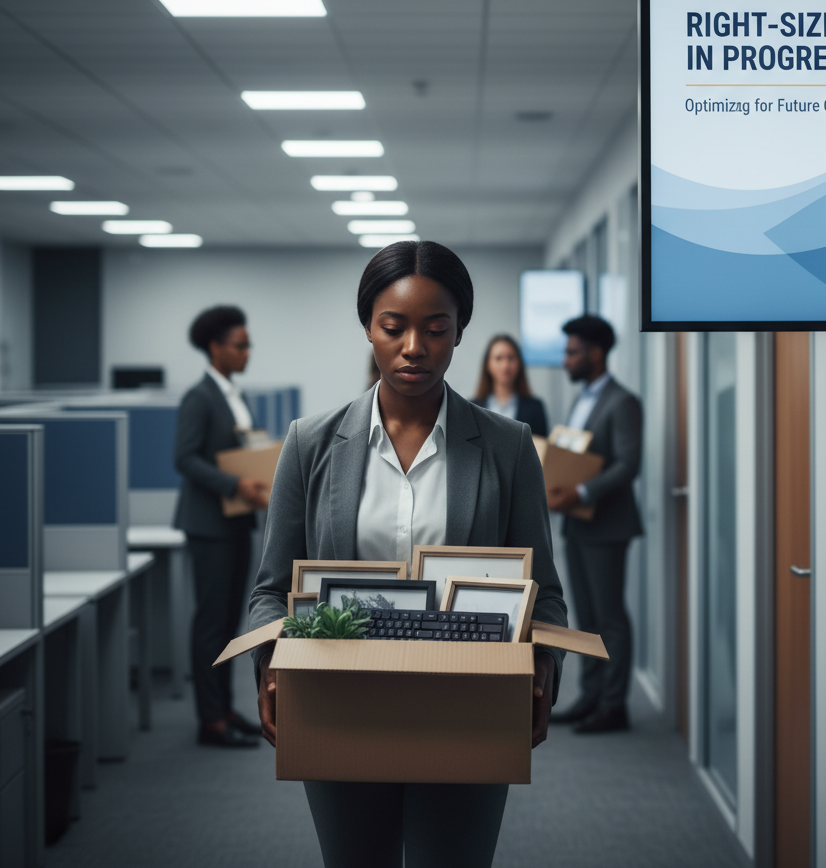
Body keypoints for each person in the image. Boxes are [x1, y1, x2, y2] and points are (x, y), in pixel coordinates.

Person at [248, 240, 567, 868]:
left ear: (459, 332)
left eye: (436, 328)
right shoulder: (310, 444)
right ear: (369, 327)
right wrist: (270, 664)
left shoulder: (507, 446)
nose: (414, 347)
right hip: (339, 704)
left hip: (469, 706)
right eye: (393, 327)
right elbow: (271, 587)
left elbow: (544, 590)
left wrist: (544, 669)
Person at [174, 305, 269, 748]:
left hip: (235, 519)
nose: (248, 352)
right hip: (208, 523)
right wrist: (235, 482)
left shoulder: (235, 394)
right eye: (240, 345)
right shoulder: (200, 397)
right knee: (211, 622)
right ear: (215, 348)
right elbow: (185, 458)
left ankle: (225, 708)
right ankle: (209, 720)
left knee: (230, 620)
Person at [547, 314, 642, 734]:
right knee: (584, 616)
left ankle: (613, 705)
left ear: (596, 353)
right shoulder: (583, 398)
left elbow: (627, 465)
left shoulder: (622, 402)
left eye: (572, 352)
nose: (565, 361)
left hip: (606, 525)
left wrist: (581, 493)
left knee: (609, 617)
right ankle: (590, 695)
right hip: (577, 523)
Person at [471, 334, 548, 437]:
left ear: (519, 363)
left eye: (511, 358)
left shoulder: (535, 408)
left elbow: (541, 449)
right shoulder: (472, 408)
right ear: (488, 365)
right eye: (499, 358)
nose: (505, 365)